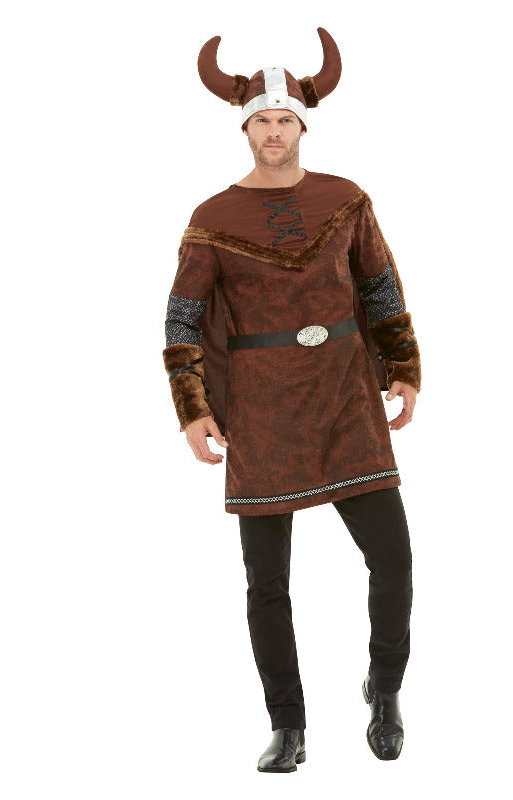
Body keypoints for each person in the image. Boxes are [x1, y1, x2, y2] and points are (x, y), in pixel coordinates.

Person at [162, 28, 422, 772]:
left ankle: (384, 688)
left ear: (302, 127)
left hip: (345, 397)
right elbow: (182, 319)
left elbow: (380, 287)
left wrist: (403, 368)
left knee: (394, 558)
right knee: (267, 583)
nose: (274, 132)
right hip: (261, 409)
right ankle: (289, 724)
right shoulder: (213, 217)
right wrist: (194, 408)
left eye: (285, 120)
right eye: (262, 121)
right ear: (244, 129)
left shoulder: (346, 199)